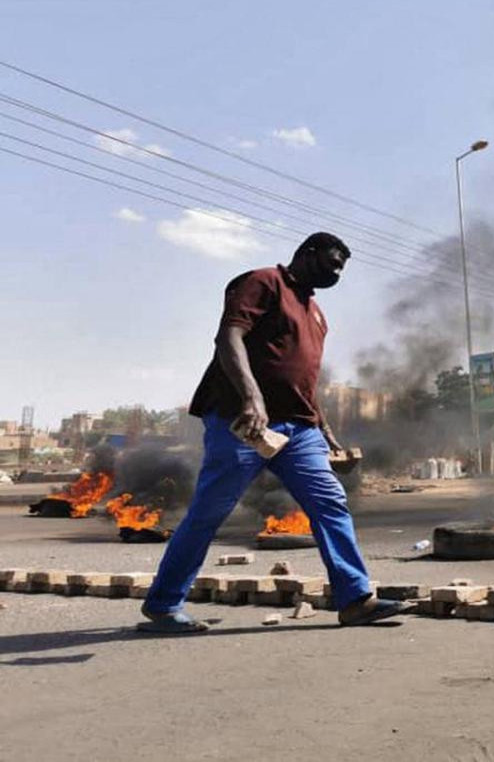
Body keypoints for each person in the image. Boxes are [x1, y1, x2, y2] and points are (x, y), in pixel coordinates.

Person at [139, 233, 402, 632]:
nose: (336, 273)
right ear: (307, 253)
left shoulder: (316, 314)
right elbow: (229, 336)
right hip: (242, 422)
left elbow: (303, 382)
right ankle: (163, 604)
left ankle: (355, 599)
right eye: (331, 263)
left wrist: (326, 430)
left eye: (341, 269)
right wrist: (251, 398)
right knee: (210, 511)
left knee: (330, 503)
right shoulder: (262, 282)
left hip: (299, 429)